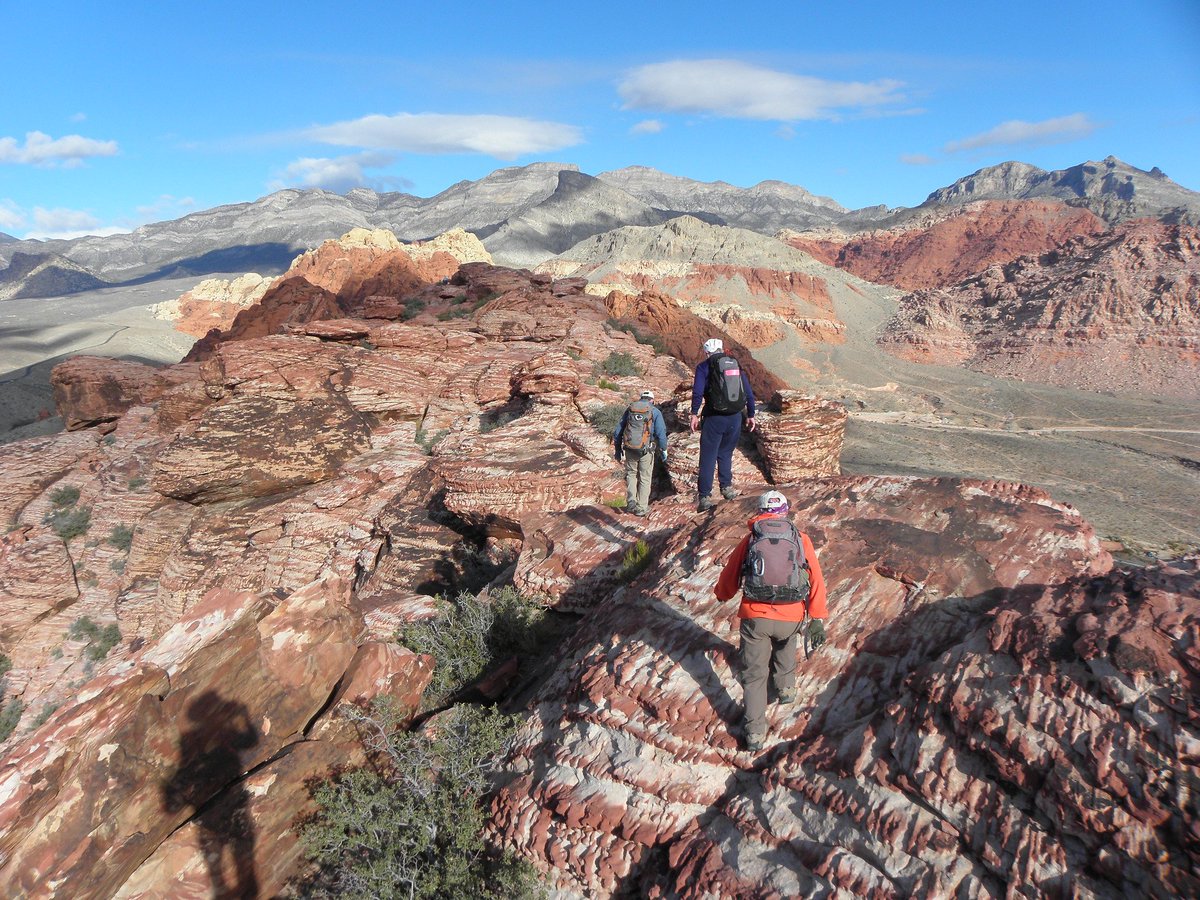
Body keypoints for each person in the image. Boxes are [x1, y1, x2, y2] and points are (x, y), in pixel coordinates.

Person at [714, 490, 827, 751]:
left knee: (754, 676)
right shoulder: (801, 539)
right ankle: (786, 689)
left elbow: (731, 573)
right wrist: (817, 617)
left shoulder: (751, 538)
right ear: (786, 511)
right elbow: (816, 579)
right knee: (786, 646)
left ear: (761, 511)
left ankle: (754, 733)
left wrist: (722, 594)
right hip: (792, 614)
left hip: (756, 615)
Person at [690, 338, 756, 512]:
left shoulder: (704, 367)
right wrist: (751, 415)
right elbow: (748, 393)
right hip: (735, 417)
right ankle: (726, 488)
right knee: (726, 453)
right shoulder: (734, 365)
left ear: (706, 352)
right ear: (722, 349)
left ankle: (705, 497)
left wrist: (694, 414)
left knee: (708, 456)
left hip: (714, 417)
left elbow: (697, 392)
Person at [613, 389, 668, 517]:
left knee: (631, 474)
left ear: (641, 398)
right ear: (652, 400)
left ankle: (631, 502)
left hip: (630, 448)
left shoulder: (631, 409)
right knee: (645, 477)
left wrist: (617, 449)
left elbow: (618, 430)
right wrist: (663, 449)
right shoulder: (655, 411)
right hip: (646, 450)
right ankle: (641, 507)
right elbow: (661, 432)